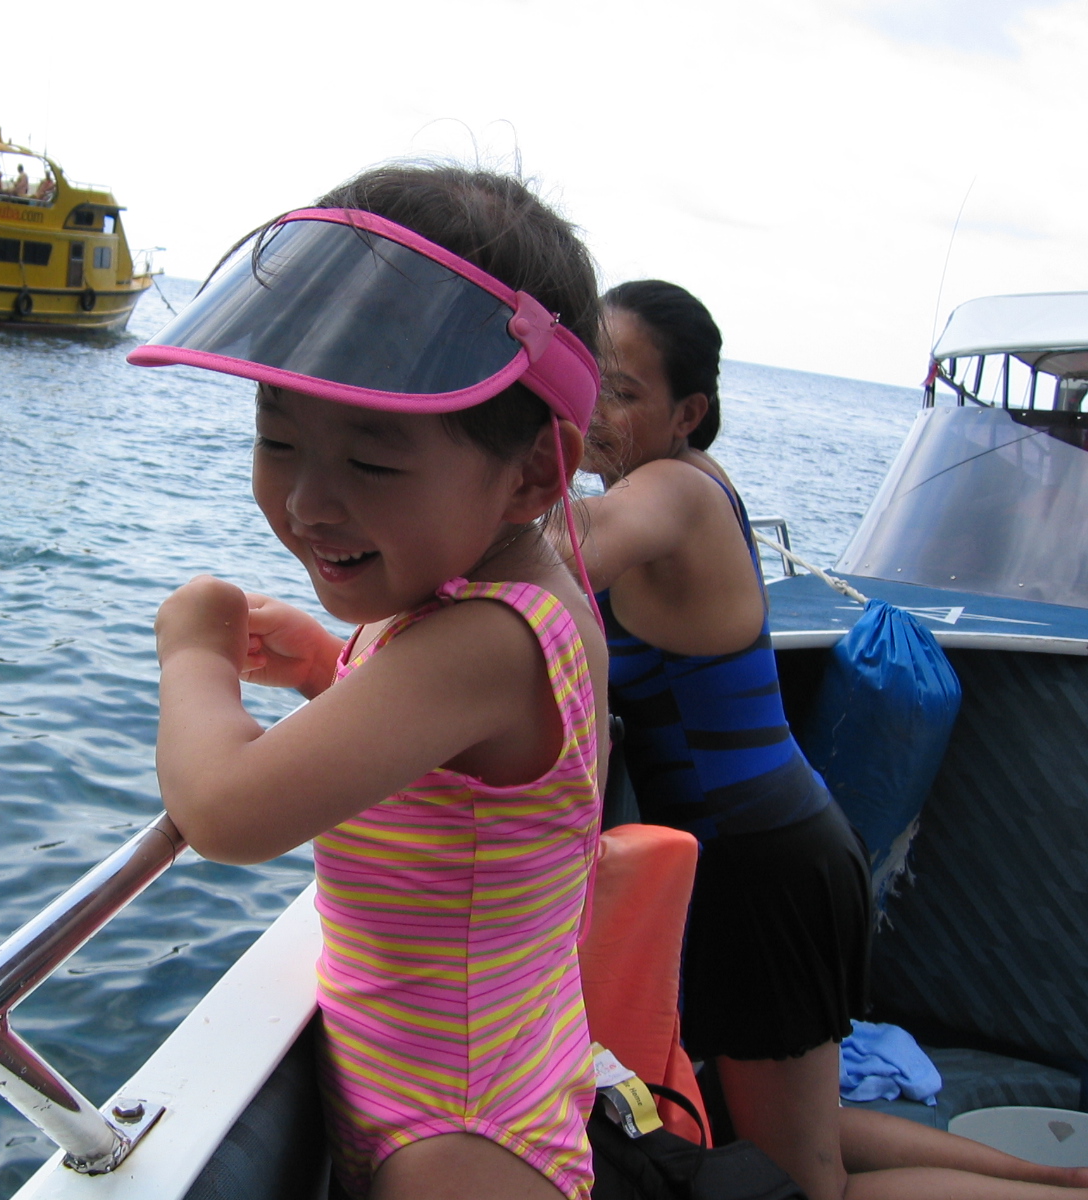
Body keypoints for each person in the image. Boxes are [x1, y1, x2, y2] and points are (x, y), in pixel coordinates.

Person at [134, 164, 609, 1200]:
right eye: (277, 440)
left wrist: (195, 652)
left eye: (374, 462)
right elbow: (454, 781)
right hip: (454, 1080)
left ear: (534, 472)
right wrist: (322, 666)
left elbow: (226, 812)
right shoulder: (485, 591)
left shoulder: (492, 637)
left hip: (462, 1139)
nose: (308, 501)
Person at [576, 279, 1088, 1200]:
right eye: (585, 377)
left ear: (687, 413)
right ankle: (1054, 1178)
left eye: (622, 390)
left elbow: (564, 547)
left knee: (811, 1185)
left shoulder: (672, 492)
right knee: (779, 1126)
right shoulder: (675, 483)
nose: (593, 408)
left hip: (760, 869)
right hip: (761, 853)